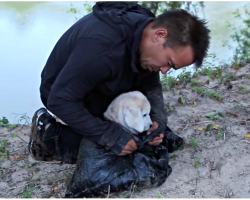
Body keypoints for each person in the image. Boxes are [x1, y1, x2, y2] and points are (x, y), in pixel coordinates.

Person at [28, 2, 210, 163]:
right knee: (115, 149)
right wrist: (109, 135)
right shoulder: (102, 47)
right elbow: (59, 99)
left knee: (145, 139)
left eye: (171, 68)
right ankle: (50, 135)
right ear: (159, 35)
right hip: (65, 92)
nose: (164, 70)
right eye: (169, 63)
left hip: (107, 80)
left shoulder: (146, 35)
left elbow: (150, 84)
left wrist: (158, 120)